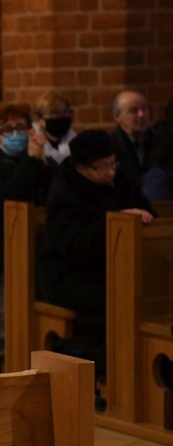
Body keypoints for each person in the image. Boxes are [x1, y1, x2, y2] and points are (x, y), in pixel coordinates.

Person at [39, 130, 154, 370]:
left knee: (146, 294)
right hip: (68, 275)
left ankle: (137, 369)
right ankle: (113, 372)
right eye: (101, 167)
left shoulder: (118, 179)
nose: (110, 171)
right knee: (117, 301)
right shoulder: (65, 190)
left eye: (113, 163)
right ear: (81, 167)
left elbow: (147, 209)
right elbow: (73, 244)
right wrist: (114, 221)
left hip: (112, 268)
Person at [0, 103, 53, 374]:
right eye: (8, 130)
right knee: (3, 335)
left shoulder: (42, 165)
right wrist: (31, 161)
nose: (16, 134)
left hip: (34, 261)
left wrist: (39, 162)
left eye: (21, 128)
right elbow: (8, 205)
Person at [110, 90, 153, 189]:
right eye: (134, 110)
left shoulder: (162, 142)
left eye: (144, 109)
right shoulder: (109, 146)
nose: (141, 115)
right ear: (117, 117)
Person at [32, 91, 77, 165]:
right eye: (54, 113)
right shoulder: (30, 147)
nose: (60, 117)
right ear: (38, 119)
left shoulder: (77, 144)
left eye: (65, 112)